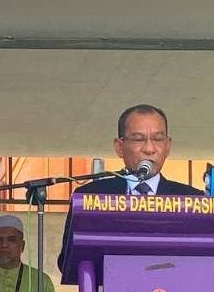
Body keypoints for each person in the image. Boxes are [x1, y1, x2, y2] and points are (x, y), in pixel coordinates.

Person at [58, 104, 204, 272]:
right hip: (110, 286)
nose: (149, 149)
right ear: (119, 147)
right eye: (138, 139)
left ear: (168, 146)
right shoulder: (90, 196)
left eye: (157, 139)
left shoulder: (193, 199)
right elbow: (67, 262)